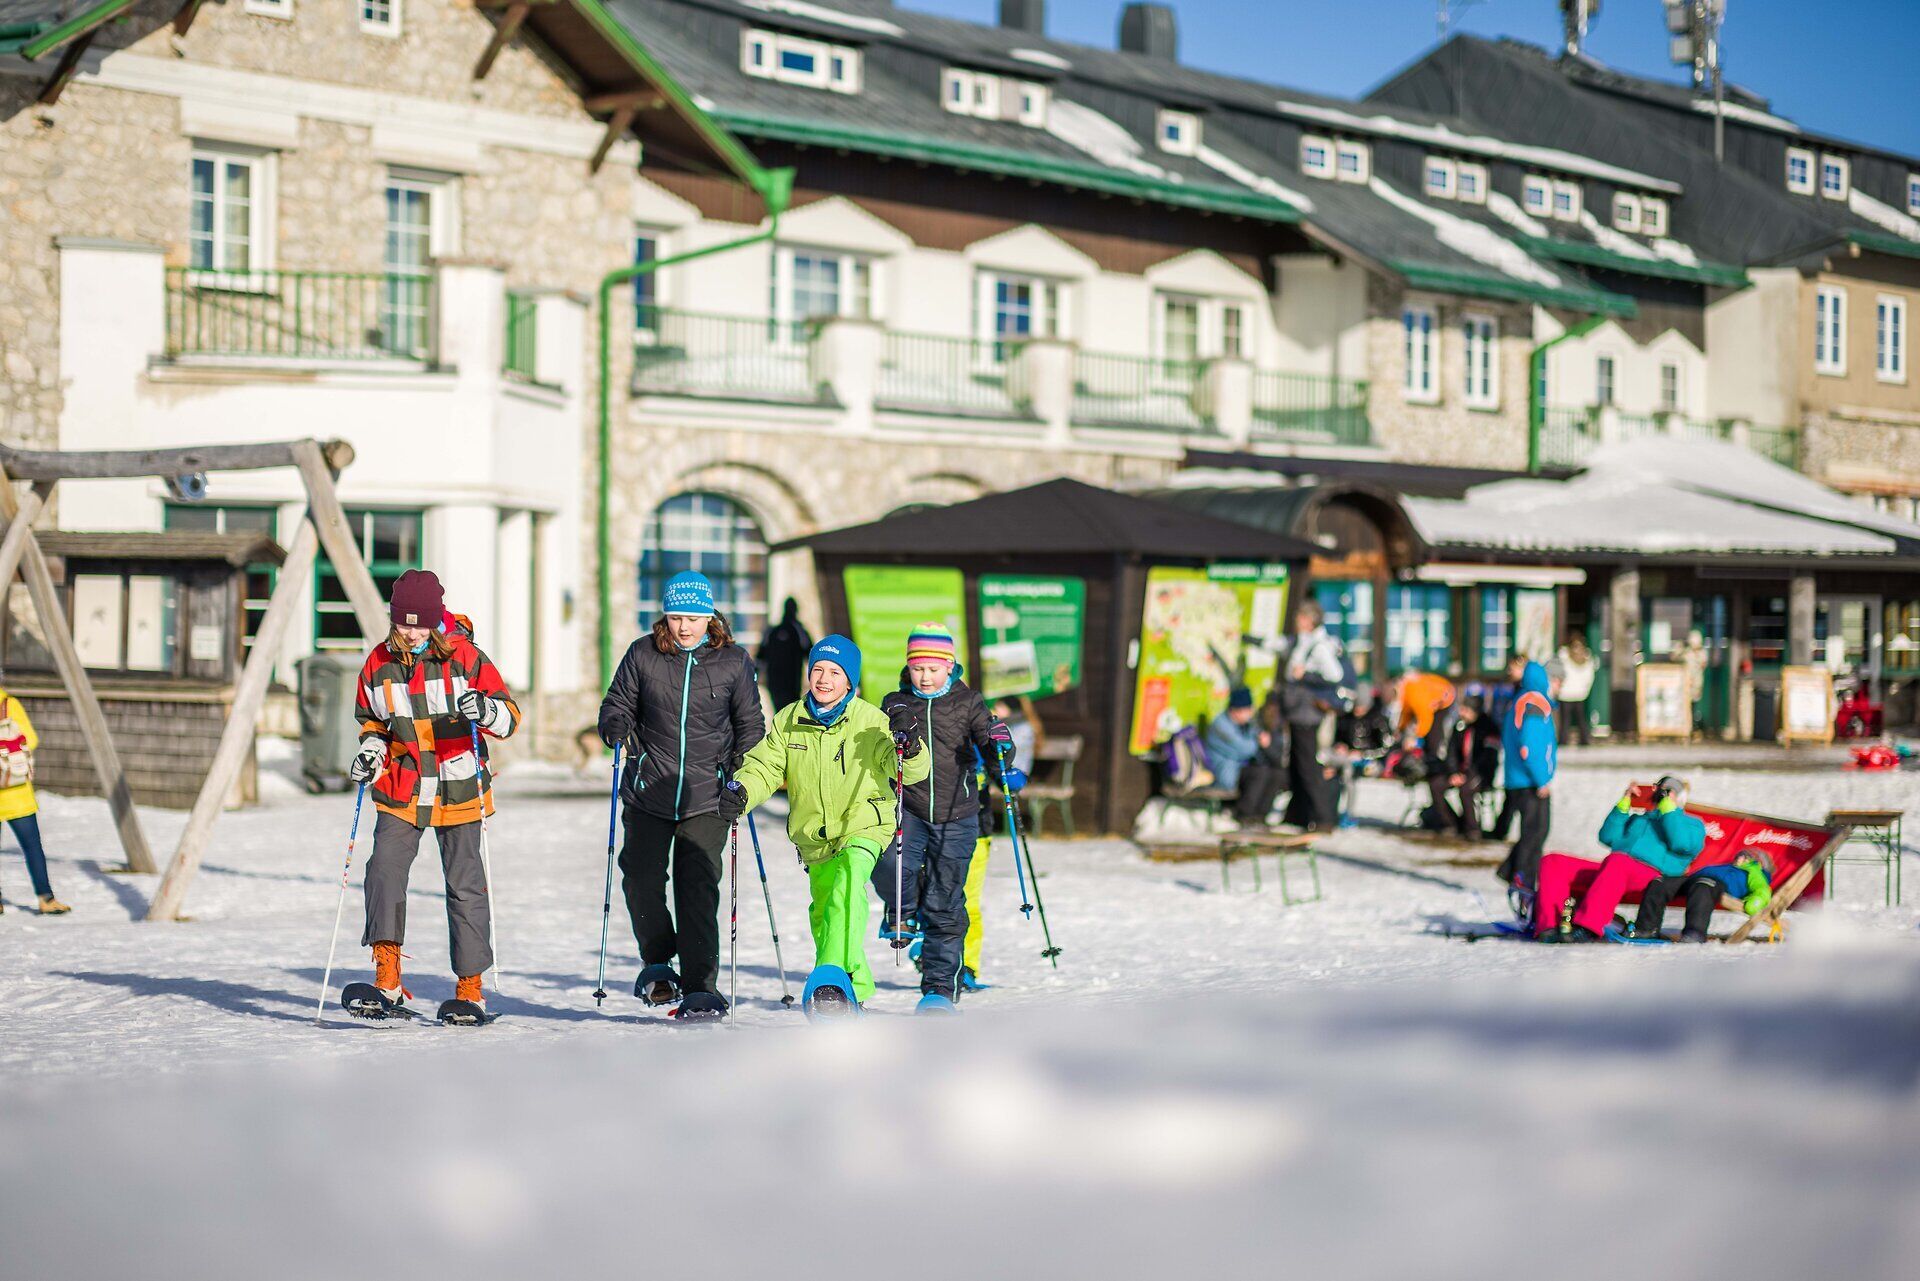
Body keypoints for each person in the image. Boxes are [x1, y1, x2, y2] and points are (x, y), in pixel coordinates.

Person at [720, 635, 930, 1009]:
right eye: (817, 669)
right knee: (824, 914)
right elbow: (766, 767)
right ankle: (857, 985)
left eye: (835, 672)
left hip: (865, 824)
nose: (824, 678)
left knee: (848, 889)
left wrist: (910, 747)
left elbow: (907, 769)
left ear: (850, 682)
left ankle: (831, 976)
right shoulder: (790, 719)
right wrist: (743, 792)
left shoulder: (870, 721)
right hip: (814, 836)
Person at [350, 570, 520, 1015]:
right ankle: (386, 980)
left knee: (464, 885)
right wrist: (371, 752)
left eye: (418, 624)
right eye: (402, 623)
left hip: (457, 784)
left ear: (434, 619)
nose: (409, 632)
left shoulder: (466, 658)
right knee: (383, 870)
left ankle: (470, 990)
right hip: (402, 785)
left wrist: (484, 710)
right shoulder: (379, 661)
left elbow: (509, 718)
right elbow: (373, 722)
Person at [596, 571, 764, 1017]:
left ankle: (700, 985)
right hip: (649, 788)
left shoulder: (733, 661)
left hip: (707, 794)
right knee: (640, 876)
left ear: (710, 617)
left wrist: (742, 776)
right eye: (675, 617)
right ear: (664, 617)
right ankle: (657, 963)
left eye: (693, 617)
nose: (684, 626)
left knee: (698, 885)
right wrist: (614, 723)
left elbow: (750, 725)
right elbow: (617, 703)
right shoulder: (643, 654)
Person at [874, 624, 1011, 1007]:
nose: (926, 676)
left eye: (934, 668)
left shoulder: (969, 703)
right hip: (909, 809)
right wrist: (896, 724)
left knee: (946, 900)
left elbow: (989, 733)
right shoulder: (898, 701)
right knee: (890, 863)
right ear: (908, 667)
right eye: (918, 668)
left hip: (958, 812)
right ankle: (901, 911)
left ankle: (938, 986)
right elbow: (889, 712)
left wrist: (1002, 744)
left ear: (950, 666)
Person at [1536, 776, 1707, 943]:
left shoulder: (1692, 824)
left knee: (1618, 862)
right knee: (1553, 861)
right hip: (1613, 870)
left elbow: (1681, 843)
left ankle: (1587, 927)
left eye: (1666, 792)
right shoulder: (1640, 818)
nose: (1659, 795)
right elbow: (1607, 837)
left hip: (1653, 877)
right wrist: (1624, 805)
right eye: (1657, 790)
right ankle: (1549, 926)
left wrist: (1669, 810)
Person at [0, 679, 69, 915]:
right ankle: (46, 899)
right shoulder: (9, 704)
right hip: (17, 793)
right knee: (32, 847)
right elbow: (31, 739)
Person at [1276, 601, 1344, 831]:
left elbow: (1335, 676)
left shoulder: (1320, 645)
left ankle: (1323, 817)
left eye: (1300, 618)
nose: (1296, 622)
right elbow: (1275, 645)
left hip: (1307, 714)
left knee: (1308, 766)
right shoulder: (1301, 642)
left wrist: (1305, 675)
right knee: (1296, 764)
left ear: (1310, 620)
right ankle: (1297, 814)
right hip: (1296, 713)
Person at [1495, 660, 1555, 893]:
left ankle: (1511, 872)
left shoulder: (1519, 699)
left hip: (1517, 776)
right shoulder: (1534, 701)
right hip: (1529, 779)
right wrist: (1541, 778)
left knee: (1532, 831)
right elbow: (1530, 744)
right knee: (1536, 831)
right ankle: (1523, 879)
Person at [1631, 849, 1774, 944]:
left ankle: (1694, 934)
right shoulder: (1726, 866)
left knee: (1703, 886)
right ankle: (1646, 929)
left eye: (1746, 857)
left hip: (1714, 885)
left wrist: (1755, 902)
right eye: (1740, 855)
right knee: (1660, 882)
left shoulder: (1755, 872)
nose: (1740, 857)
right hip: (1692, 880)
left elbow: (1763, 890)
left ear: (1757, 863)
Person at [1205, 687, 1282, 827]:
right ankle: (1244, 814)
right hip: (1224, 773)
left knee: (1275, 774)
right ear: (1236, 709)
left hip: (1238, 768)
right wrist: (1261, 741)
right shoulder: (1221, 725)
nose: (1250, 714)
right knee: (1259, 773)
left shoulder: (1245, 725)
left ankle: (1259, 816)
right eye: (1248, 710)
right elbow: (1245, 749)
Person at [1427, 697, 1497, 839]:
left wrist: (1471, 773)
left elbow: (1488, 757)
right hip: (1460, 771)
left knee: (1466, 789)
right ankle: (1451, 823)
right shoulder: (1459, 725)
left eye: (1466, 710)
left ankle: (1472, 828)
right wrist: (1453, 772)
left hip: (1480, 773)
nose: (1461, 713)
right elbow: (1451, 752)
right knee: (1436, 785)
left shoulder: (1488, 727)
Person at [757, 596, 813, 712]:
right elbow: (811, 654)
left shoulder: (772, 630)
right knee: (791, 711)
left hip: (773, 679)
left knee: (779, 711)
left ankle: (779, 728)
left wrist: (753, 676)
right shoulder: (799, 630)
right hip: (792, 679)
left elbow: (760, 656)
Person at [1554, 634, 1597, 747]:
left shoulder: (1563, 657)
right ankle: (1576, 740)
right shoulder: (1586, 659)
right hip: (1573, 693)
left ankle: (1568, 741)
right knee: (1572, 720)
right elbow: (1589, 677)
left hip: (1570, 693)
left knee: (1574, 720)